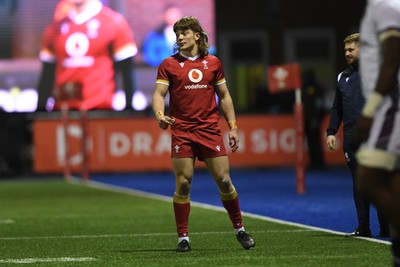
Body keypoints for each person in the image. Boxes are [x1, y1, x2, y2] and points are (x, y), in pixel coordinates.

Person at [152, 16, 255, 252]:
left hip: (209, 130)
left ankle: (239, 229)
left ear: (197, 36)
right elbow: (159, 94)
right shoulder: (168, 64)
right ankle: (183, 238)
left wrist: (233, 126)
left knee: (224, 180)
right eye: (177, 33)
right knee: (184, 183)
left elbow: (225, 96)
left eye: (184, 32)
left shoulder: (214, 63)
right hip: (183, 130)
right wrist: (159, 115)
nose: (179, 37)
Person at [327, 33, 389, 238]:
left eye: (351, 49)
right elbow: (337, 108)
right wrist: (331, 131)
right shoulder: (342, 76)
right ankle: (364, 227)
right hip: (352, 139)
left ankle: (386, 227)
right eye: (345, 50)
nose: (346, 53)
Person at [355, 0, 400, 265]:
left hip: (390, 105)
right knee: (393, 182)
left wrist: (371, 110)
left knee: (369, 178)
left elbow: (393, 55)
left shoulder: (385, 4)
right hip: (389, 103)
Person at [36, 0, 138, 111]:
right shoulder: (54, 28)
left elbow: (127, 74)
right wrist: (39, 114)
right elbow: (46, 77)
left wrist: (129, 112)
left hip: (100, 112)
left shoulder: (114, 23)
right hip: (62, 113)